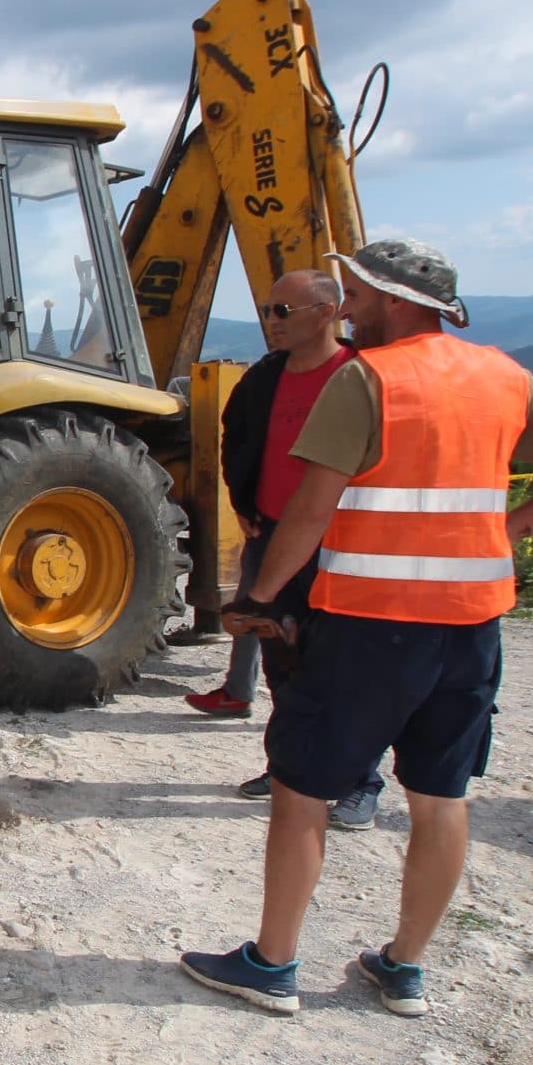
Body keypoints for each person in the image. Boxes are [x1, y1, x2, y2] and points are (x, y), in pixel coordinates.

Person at [179, 240, 533, 1018]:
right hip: (470, 628)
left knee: (301, 792)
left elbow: (309, 514)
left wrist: (256, 597)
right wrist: (512, 529)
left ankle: (273, 963)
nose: (348, 305)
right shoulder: (501, 374)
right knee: (439, 795)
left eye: (355, 292)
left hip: (368, 627)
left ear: (393, 298)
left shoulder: (368, 379)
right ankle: (403, 968)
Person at [185, 269, 386, 830]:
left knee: (346, 666)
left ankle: (359, 781)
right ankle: (290, 767)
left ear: (326, 312)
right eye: (268, 311)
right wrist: (243, 502)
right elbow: (237, 437)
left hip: (342, 543)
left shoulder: (360, 376)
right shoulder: (265, 378)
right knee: (281, 661)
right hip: (273, 537)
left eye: (281, 312)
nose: (269, 322)